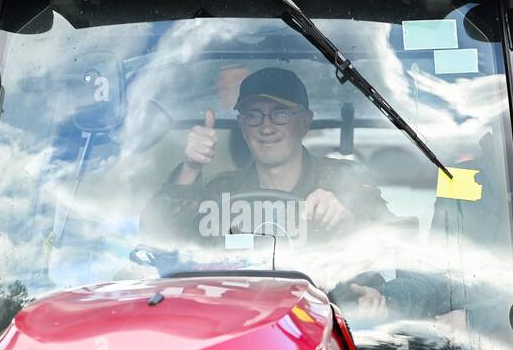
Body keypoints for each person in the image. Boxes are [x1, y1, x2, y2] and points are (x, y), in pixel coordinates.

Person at [142, 67, 393, 245]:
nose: (266, 127)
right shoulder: (222, 193)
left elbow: (394, 241)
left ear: (305, 123)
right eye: (253, 115)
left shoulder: (344, 180)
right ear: (241, 125)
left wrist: (346, 219)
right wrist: (190, 167)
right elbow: (158, 235)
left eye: (280, 114)